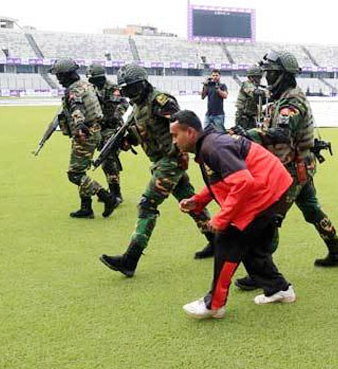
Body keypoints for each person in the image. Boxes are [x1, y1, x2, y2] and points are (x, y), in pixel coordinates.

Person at [231, 49, 338, 287]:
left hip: (293, 170)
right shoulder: (284, 97)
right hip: (297, 166)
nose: (266, 78)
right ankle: (337, 252)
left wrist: (249, 135)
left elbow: (283, 133)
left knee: (270, 218)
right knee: (313, 210)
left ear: (282, 75)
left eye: (270, 74)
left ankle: (261, 272)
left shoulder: (292, 100)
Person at [167, 110, 295, 320]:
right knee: (250, 246)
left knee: (227, 239)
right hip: (272, 188)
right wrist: (198, 201)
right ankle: (278, 289)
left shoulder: (212, 147)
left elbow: (243, 182)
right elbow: (224, 179)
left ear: (190, 132)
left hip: (265, 190)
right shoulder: (208, 145)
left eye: (175, 135)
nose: (174, 141)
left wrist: (221, 219)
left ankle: (214, 304)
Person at [99, 64, 217, 278]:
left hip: (171, 159)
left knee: (147, 204)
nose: (130, 94)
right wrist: (128, 140)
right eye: (126, 91)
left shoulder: (159, 101)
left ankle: (130, 259)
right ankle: (217, 241)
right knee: (192, 203)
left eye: (132, 89)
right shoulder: (137, 107)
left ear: (143, 84)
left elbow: (181, 124)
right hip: (161, 160)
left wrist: (185, 151)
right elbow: (145, 133)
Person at [49, 58, 119, 219]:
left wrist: (80, 124)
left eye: (60, 76)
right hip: (95, 131)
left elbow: (77, 106)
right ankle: (86, 207)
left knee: (75, 174)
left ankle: (107, 197)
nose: (58, 80)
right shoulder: (87, 86)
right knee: (81, 171)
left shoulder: (74, 90)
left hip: (84, 134)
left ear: (67, 75)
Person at [87, 63, 129, 202]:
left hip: (114, 129)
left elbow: (124, 103)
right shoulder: (92, 89)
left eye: (96, 79)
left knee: (108, 159)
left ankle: (116, 193)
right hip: (100, 129)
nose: (93, 82)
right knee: (106, 160)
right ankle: (113, 191)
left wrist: (115, 117)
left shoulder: (113, 88)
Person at [234, 65, 266, 130]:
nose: (259, 80)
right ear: (251, 77)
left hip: (252, 117)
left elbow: (261, 101)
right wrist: (265, 92)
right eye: (258, 77)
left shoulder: (256, 86)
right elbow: (255, 93)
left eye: (260, 77)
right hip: (244, 117)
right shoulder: (246, 84)